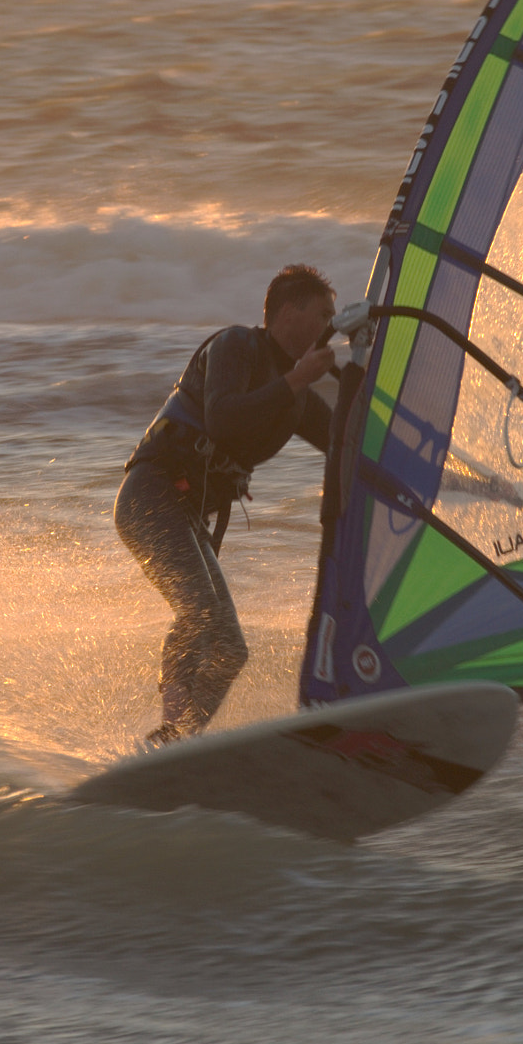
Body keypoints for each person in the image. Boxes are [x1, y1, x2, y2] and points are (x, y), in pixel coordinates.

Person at [116, 264, 338, 748]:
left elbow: (348, 441)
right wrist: (298, 378)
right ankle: (171, 730)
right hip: (149, 495)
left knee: (231, 648)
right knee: (197, 612)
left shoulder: (295, 394)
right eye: (323, 314)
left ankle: (180, 742)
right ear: (288, 311)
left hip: (187, 515)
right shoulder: (237, 345)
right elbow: (221, 417)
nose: (329, 327)